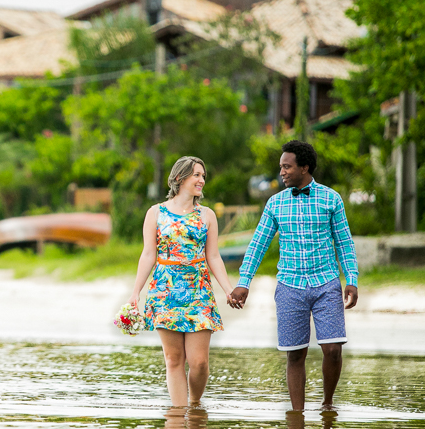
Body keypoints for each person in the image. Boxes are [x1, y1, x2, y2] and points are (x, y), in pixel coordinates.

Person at [230, 140, 359, 411]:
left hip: (326, 283)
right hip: (290, 286)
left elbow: (344, 243)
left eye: (287, 167)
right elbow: (258, 245)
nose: (282, 173)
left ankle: (327, 404)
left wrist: (352, 279)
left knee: (333, 350)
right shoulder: (275, 204)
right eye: (280, 167)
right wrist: (244, 282)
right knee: (295, 354)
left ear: (305, 167)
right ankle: (297, 417)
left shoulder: (331, 199)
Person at [128, 156, 238, 407]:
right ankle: (178, 419)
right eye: (196, 175)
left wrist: (229, 289)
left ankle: (195, 405)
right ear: (179, 178)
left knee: (199, 362)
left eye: (203, 176)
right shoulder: (155, 212)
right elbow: (148, 254)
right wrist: (136, 291)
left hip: (199, 290)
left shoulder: (207, 215)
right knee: (174, 359)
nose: (201, 180)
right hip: (164, 290)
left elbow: (213, 256)